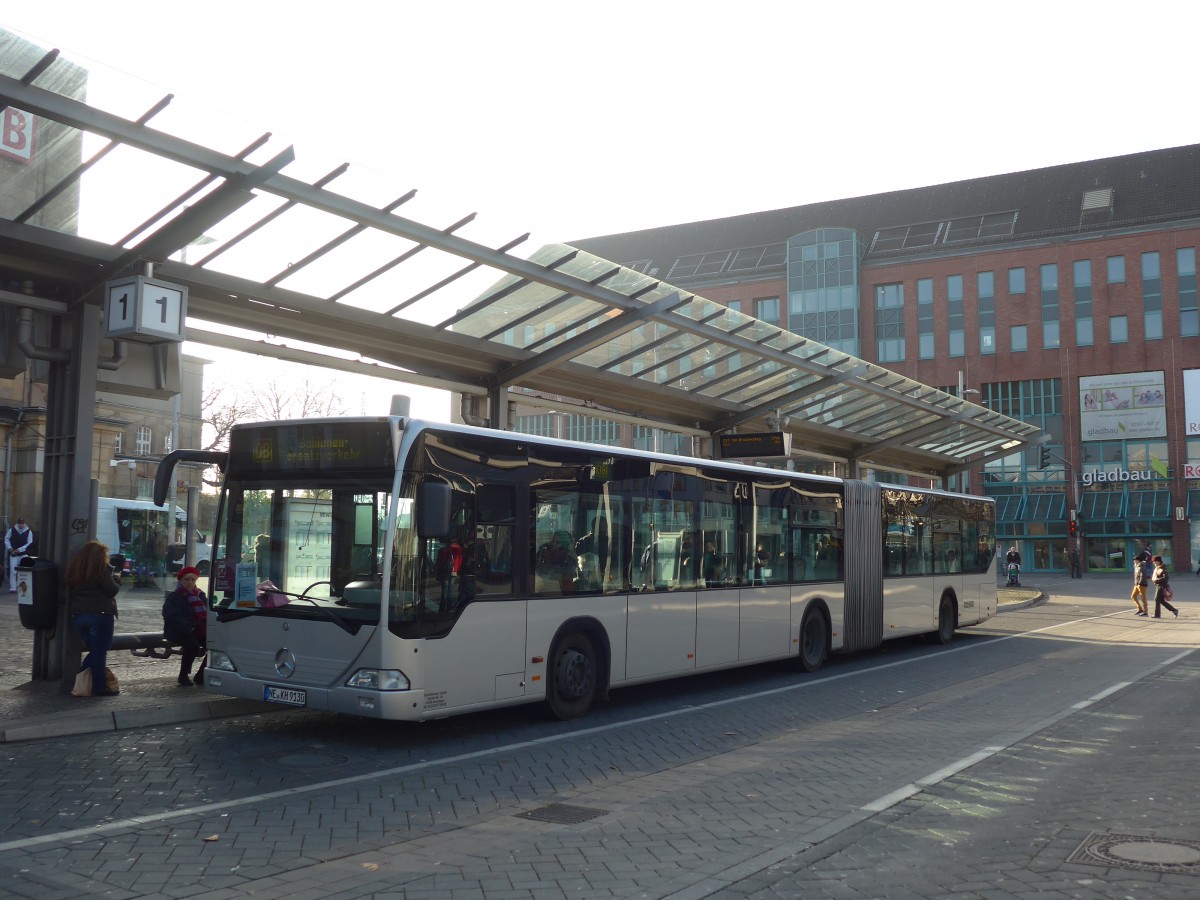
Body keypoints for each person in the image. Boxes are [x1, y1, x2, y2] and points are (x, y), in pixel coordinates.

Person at [65, 540, 121, 697]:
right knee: (99, 651)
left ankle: (85, 681)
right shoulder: (100, 570)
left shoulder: (75, 569)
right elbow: (111, 590)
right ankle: (97, 686)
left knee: (96, 651)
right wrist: (116, 579)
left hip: (79, 617)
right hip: (100, 615)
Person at [163, 565, 208, 685]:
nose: (190, 582)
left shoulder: (200, 595)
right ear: (181, 580)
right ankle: (183, 675)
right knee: (192, 645)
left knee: (216, 645)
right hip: (178, 631)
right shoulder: (175, 596)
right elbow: (171, 616)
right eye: (187, 579)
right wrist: (190, 627)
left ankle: (201, 675)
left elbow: (207, 612)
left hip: (198, 628)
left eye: (193, 579)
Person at [5, 517, 34, 593]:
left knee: (23, 571)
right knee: (13, 571)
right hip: (13, 554)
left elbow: (29, 543)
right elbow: (6, 539)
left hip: (23, 554)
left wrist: (20, 549)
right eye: (20, 523)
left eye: (22, 523)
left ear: (24, 524)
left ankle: (22, 587)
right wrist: (10, 548)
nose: (21, 525)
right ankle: (13, 588)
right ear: (18, 524)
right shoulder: (12, 530)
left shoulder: (28, 532)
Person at [1150, 555, 1179, 619]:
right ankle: (1174, 610)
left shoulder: (1163, 568)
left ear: (1158, 561)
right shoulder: (1158, 567)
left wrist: (1156, 580)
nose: (1154, 563)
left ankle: (1157, 615)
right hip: (1158, 586)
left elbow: (1166, 578)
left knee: (1156, 600)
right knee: (1161, 601)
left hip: (1161, 586)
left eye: (1155, 562)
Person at [1130, 552, 1149, 617]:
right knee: (1133, 596)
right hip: (1137, 584)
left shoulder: (1142, 566)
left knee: (1143, 598)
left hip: (1142, 584)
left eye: (1135, 560)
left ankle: (1145, 612)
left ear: (1138, 560)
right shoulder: (1136, 566)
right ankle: (1140, 609)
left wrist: (1140, 583)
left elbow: (1143, 576)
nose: (1134, 561)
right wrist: (1136, 584)